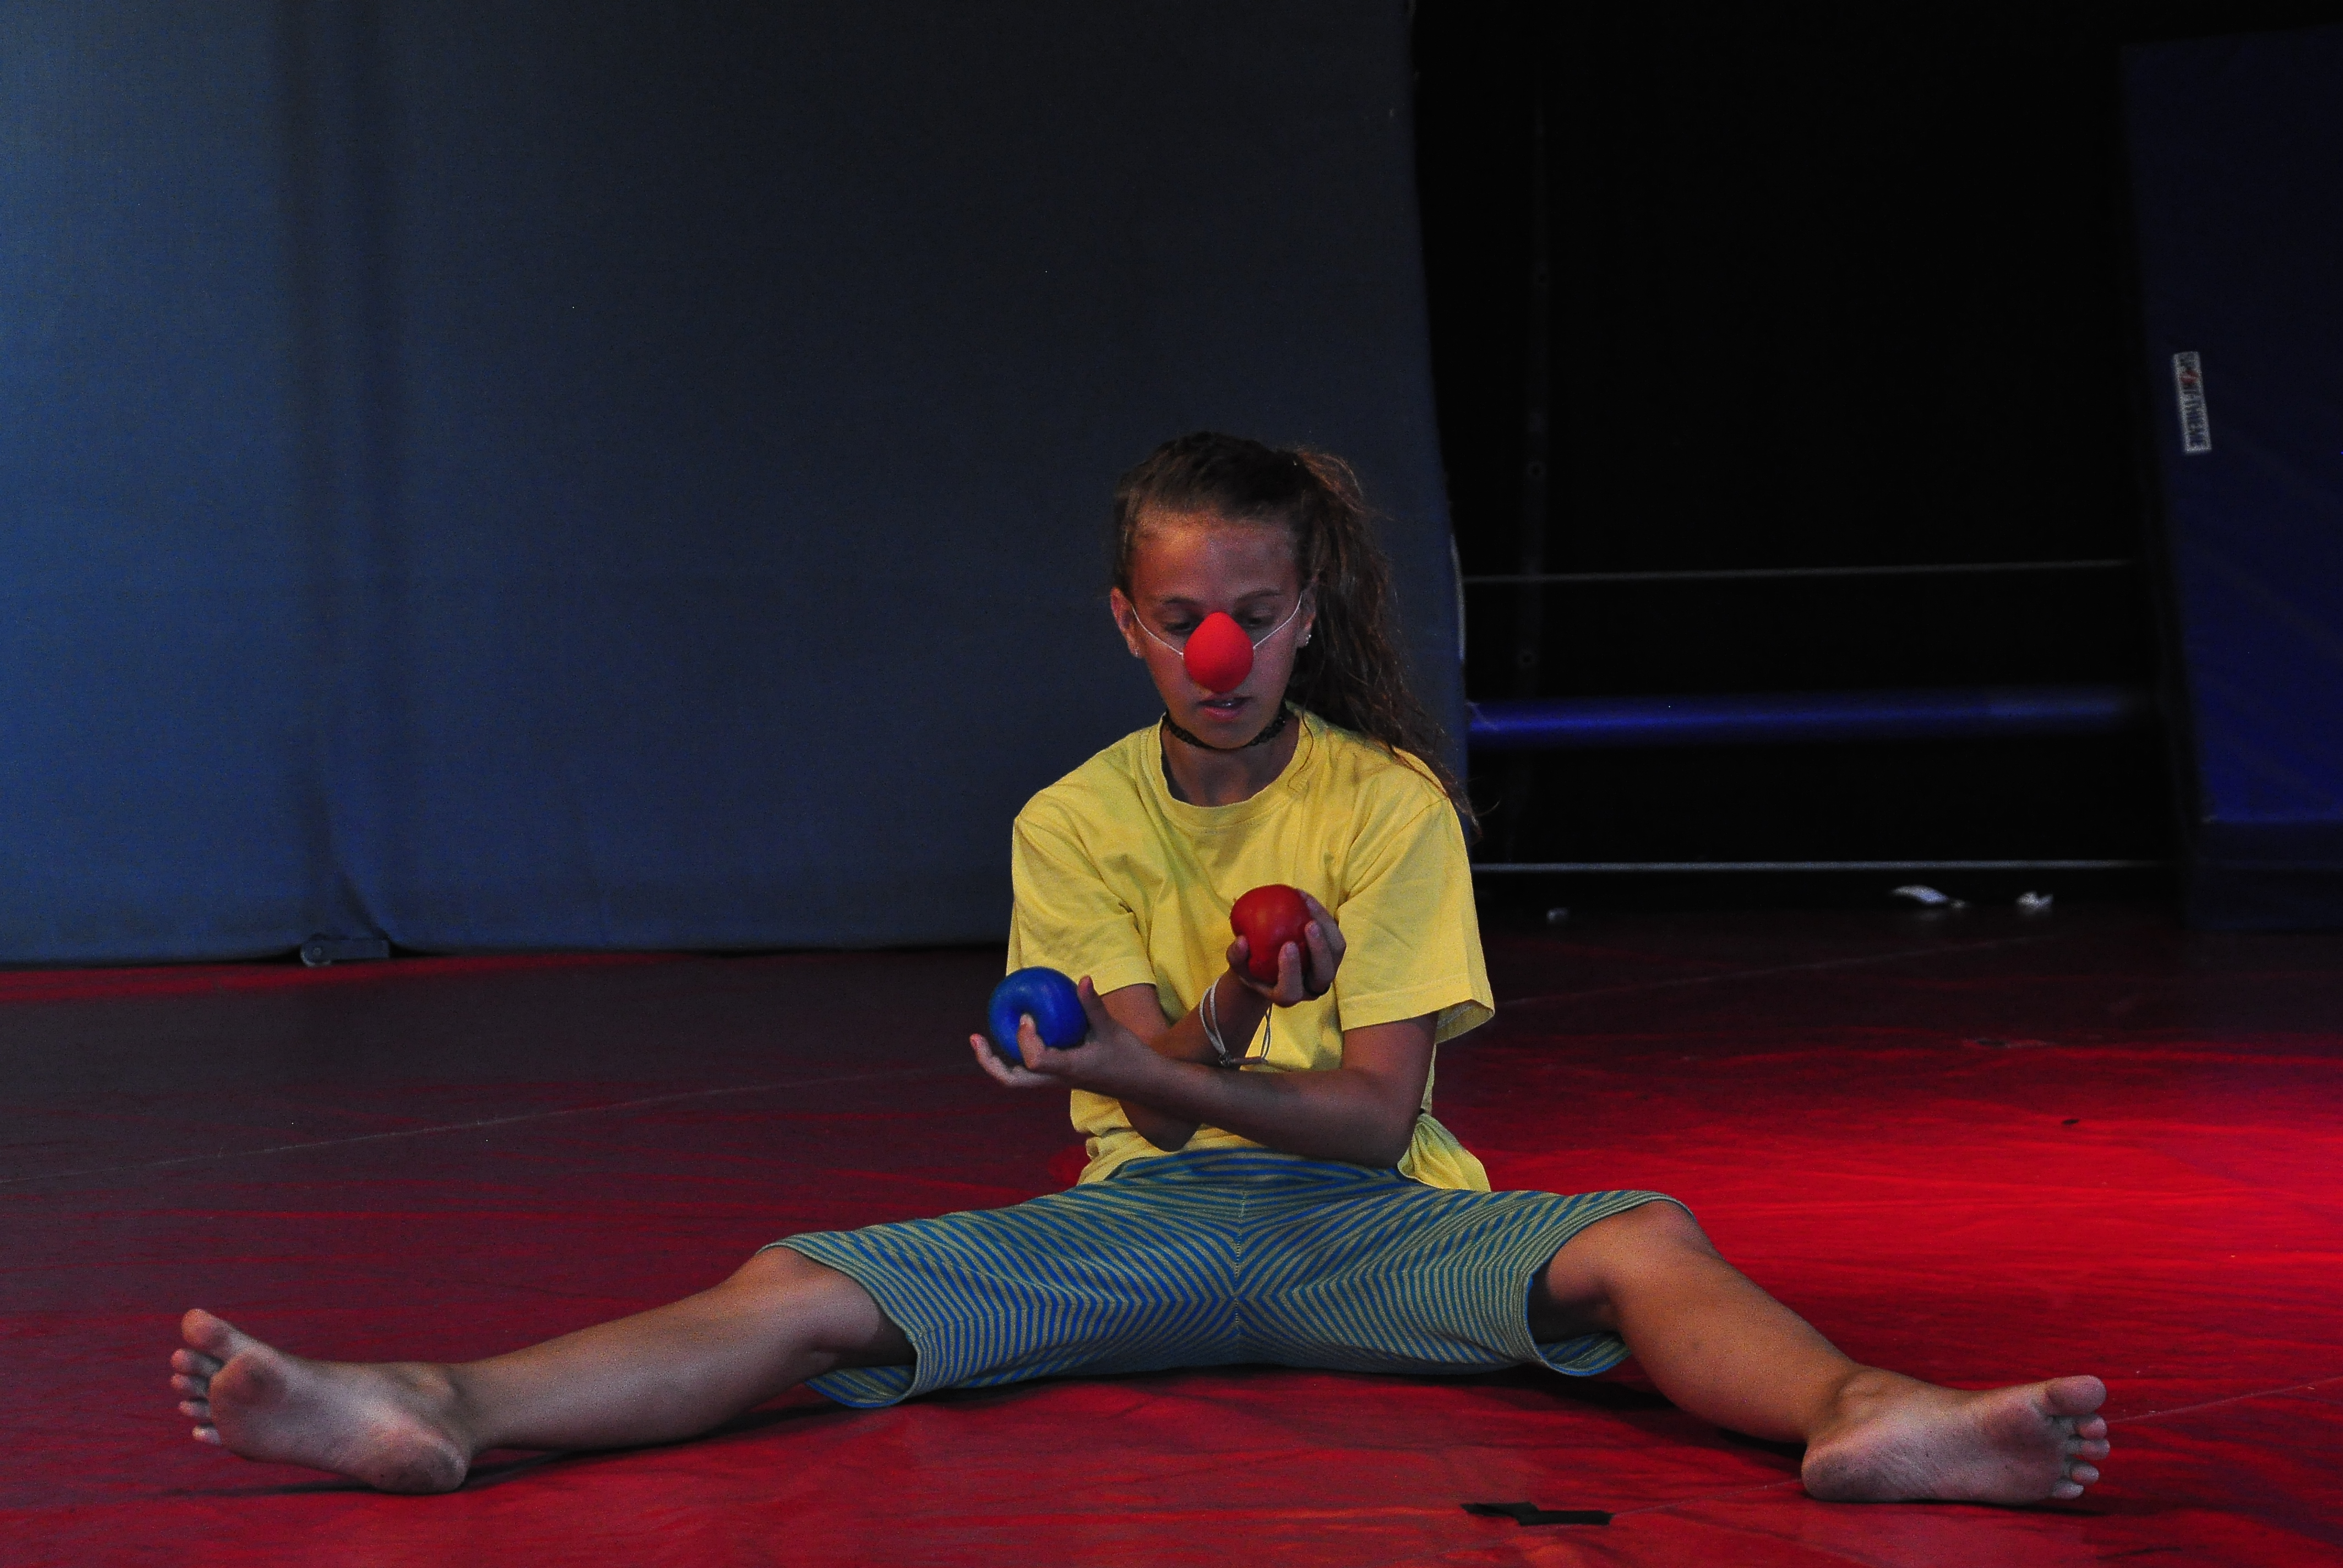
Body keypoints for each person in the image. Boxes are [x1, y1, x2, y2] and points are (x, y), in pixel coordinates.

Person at [168, 432, 2109, 1502]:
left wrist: (1186, 1045)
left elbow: (1374, 1127)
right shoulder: (1073, 822)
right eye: (1182, 616)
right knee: (802, 1288)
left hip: (1381, 1233)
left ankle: (1864, 1411)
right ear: (1127, 621)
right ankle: (439, 1401)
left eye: (1252, 611)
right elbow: (1163, 1096)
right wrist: (1224, 1017)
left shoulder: (1387, 807)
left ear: (1306, 612)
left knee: (1639, 1239)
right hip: (1144, 1223)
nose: (1219, 652)